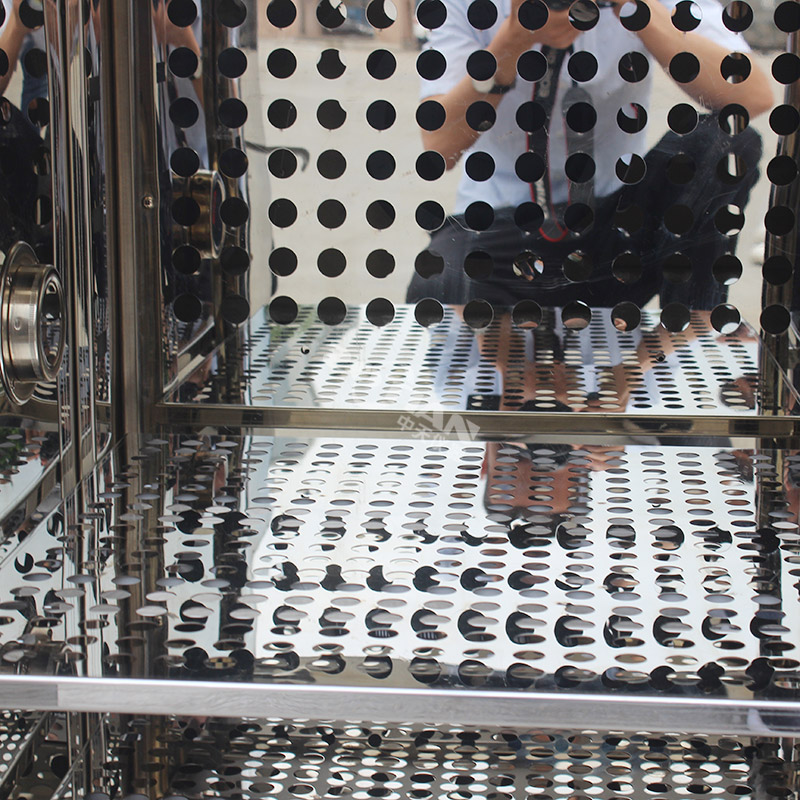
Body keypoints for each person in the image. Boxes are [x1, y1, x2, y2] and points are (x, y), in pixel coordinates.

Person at [407, 0, 773, 312]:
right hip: (503, 225)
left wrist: (639, 12)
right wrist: (514, 39)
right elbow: (439, 144)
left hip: (617, 225)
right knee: (437, 283)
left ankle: (687, 339)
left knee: (727, 144)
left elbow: (753, 96)